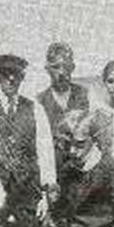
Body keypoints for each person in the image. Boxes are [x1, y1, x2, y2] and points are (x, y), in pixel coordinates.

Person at [0, 53, 58, 227]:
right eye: (5, 73)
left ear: (22, 78)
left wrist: (46, 196)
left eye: (16, 74)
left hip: (28, 193)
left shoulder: (35, 109)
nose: (11, 79)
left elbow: (46, 154)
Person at [37, 42, 89, 172]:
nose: (61, 72)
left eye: (65, 66)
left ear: (72, 67)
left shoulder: (84, 94)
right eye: (56, 67)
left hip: (83, 167)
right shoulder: (40, 101)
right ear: (47, 69)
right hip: (54, 169)